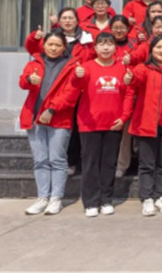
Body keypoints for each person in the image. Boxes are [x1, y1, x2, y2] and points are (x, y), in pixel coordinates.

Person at [122, 35, 162, 217]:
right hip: (147, 123)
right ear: (151, 50)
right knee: (147, 164)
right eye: (159, 47)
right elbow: (135, 81)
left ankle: (161, 197)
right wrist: (130, 77)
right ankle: (147, 198)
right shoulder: (144, 68)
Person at [66, 32, 126, 217]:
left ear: (115, 48)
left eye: (110, 44)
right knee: (90, 164)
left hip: (114, 124)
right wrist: (76, 77)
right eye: (102, 44)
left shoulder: (122, 69)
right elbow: (74, 88)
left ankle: (106, 200)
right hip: (89, 123)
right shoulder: (86, 67)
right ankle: (91, 202)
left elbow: (129, 94)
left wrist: (124, 117)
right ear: (95, 47)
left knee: (109, 163)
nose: (106, 48)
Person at [18, 32, 78, 216]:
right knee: (40, 160)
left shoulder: (71, 65)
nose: (53, 48)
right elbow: (22, 83)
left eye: (58, 45)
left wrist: (51, 110)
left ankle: (56, 198)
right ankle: (42, 197)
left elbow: (71, 93)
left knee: (57, 160)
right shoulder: (34, 63)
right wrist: (29, 80)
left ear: (64, 47)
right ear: (43, 45)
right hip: (34, 117)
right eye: (50, 44)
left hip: (59, 119)